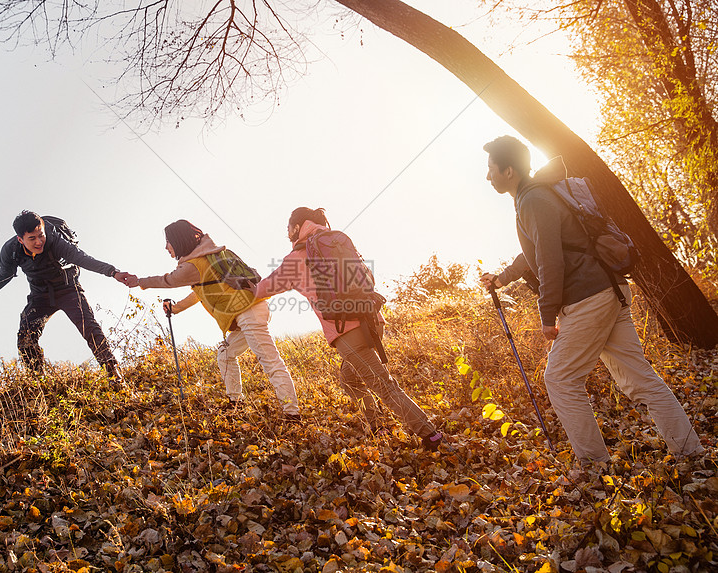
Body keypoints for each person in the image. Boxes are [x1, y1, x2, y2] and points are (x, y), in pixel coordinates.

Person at [480, 135, 704, 464]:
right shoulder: (538, 196)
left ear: (508, 171)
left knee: (559, 378)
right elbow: (537, 251)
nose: (488, 176)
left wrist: (547, 315)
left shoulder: (533, 200)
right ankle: (691, 452)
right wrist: (502, 278)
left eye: (491, 169)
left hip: (589, 298)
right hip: (610, 289)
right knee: (641, 378)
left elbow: (550, 261)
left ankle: (594, 466)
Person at [252, 207, 443, 451]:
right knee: (349, 379)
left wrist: (246, 288)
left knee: (383, 385)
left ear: (298, 226)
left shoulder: (298, 257)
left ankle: (430, 434)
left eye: (288, 227)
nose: (287, 233)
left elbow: (266, 288)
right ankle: (377, 427)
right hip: (372, 319)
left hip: (346, 331)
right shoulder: (336, 242)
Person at [123, 220, 301, 422]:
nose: (166, 247)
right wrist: (176, 308)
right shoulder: (210, 255)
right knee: (225, 354)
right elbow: (200, 294)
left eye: (168, 242)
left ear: (178, 240)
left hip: (248, 312)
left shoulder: (194, 264)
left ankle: (292, 413)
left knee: (269, 360)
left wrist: (139, 282)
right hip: (251, 310)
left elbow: (168, 280)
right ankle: (236, 402)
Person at [0, 210, 130, 382]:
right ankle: (38, 381)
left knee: (89, 327)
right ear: (20, 239)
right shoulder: (11, 251)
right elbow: (5, 275)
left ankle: (113, 372)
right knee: (25, 336)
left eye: (41, 235)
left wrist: (113, 272)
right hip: (40, 295)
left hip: (68, 288)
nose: (39, 242)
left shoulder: (55, 241)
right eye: (32, 239)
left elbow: (82, 258)